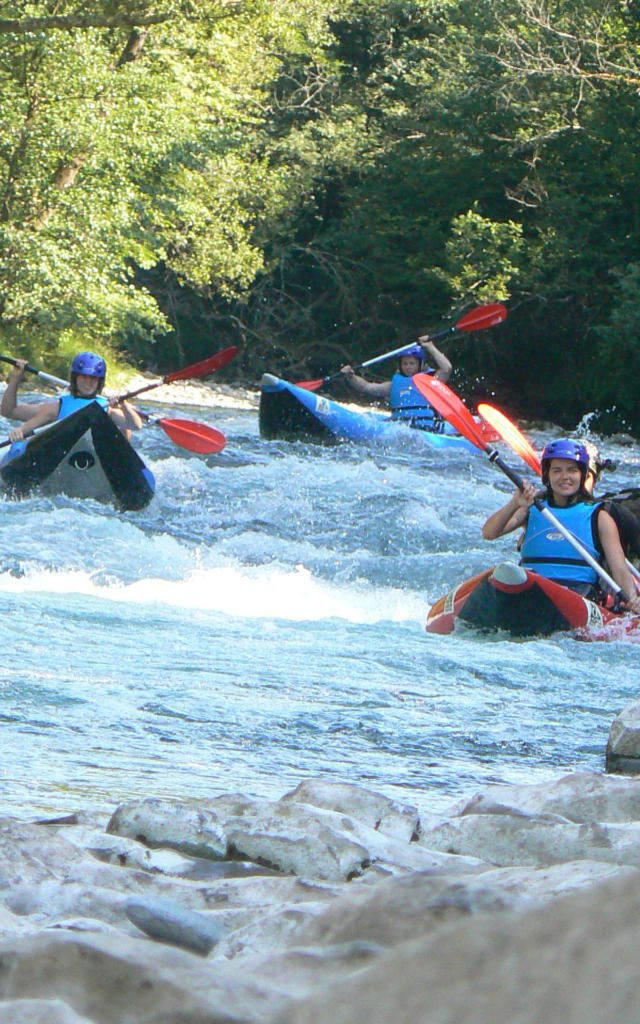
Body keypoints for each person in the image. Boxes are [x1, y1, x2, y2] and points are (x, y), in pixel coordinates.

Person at [482, 438, 640, 612]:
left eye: (572, 470)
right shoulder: (532, 509)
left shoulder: (599, 516)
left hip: (580, 599)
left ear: (582, 474)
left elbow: (619, 569)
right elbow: (489, 533)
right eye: (557, 471)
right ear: (547, 475)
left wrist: (633, 599)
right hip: (532, 593)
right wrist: (514, 503)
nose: (565, 477)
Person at [4, 352, 142, 442]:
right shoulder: (57, 407)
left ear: (100, 382)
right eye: (84, 377)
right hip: (61, 456)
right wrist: (16, 377)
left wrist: (124, 405)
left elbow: (136, 425)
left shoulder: (107, 407)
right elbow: (11, 415)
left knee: (125, 430)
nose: (88, 382)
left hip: (98, 457)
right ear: (75, 378)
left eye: (93, 378)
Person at [339, 335, 452, 430]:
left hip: (429, 431)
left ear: (420, 365)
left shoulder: (431, 381)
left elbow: (447, 368)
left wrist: (430, 347)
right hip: (401, 431)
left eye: (411, 363)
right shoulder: (394, 384)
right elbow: (366, 387)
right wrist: (351, 377)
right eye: (405, 363)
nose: (407, 367)